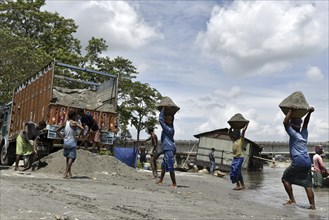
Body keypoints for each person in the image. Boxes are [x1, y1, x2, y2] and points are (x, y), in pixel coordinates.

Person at [282, 108, 315, 210]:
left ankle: (292, 200)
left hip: (298, 161)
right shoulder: (304, 134)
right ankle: (312, 206)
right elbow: (306, 123)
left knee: (285, 179)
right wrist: (309, 113)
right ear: (299, 125)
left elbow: (285, 122)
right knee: (307, 184)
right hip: (307, 161)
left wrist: (291, 111)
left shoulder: (293, 134)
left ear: (292, 125)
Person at [56, 110, 84, 179]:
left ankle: (69, 173)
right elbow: (82, 128)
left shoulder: (65, 123)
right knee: (72, 158)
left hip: (65, 142)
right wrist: (79, 135)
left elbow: (57, 131)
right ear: (74, 116)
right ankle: (65, 172)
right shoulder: (74, 123)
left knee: (68, 157)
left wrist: (62, 138)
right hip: (72, 142)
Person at [156, 108, 177, 188]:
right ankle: (161, 181)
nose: (164, 120)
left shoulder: (168, 129)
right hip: (167, 148)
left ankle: (174, 184)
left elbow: (160, 120)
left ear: (168, 121)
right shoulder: (170, 127)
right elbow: (171, 120)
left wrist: (163, 110)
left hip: (169, 149)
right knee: (164, 165)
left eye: (166, 119)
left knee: (170, 165)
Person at [229, 123, 248, 190]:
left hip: (240, 158)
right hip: (235, 158)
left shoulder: (241, 140)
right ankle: (242, 185)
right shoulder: (233, 140)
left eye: (234, 134)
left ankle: (238, 185)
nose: (233, 136)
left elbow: (243, 131)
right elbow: (229, 133)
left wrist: (246, 125)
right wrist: (231, 127)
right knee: (238, 172)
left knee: (236, 170)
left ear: (237, 135)